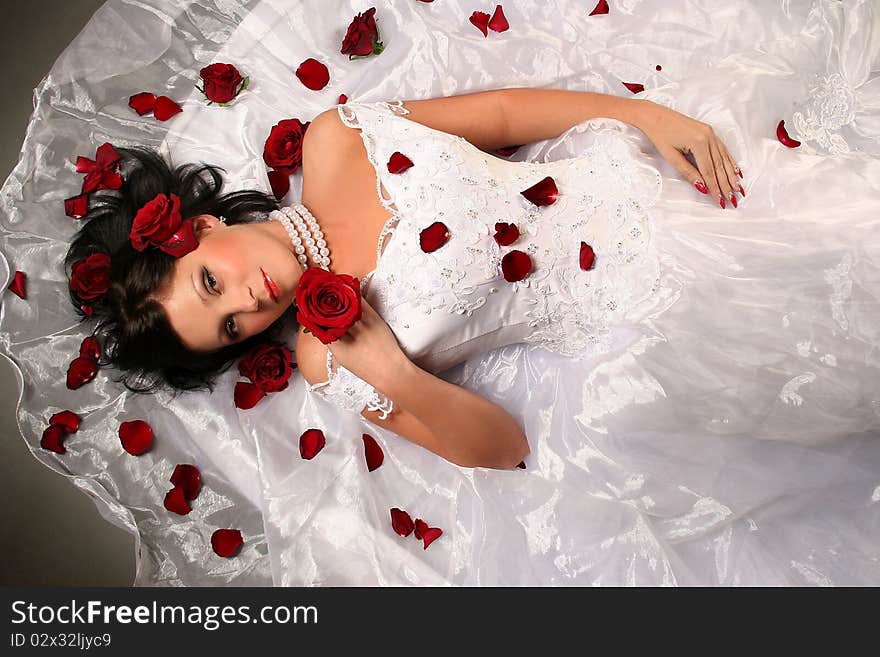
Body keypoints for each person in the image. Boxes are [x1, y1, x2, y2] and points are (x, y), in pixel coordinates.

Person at [64, 88, 744, 470]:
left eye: (212, 284)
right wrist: (392, 371)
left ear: (206, 228)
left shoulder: (335, 138)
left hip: (655, 184)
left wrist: (648, 117)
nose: (247, 302)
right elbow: (505, 450)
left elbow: (503, 118)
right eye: (229, 327)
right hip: (659, 319)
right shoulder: (324, 356)